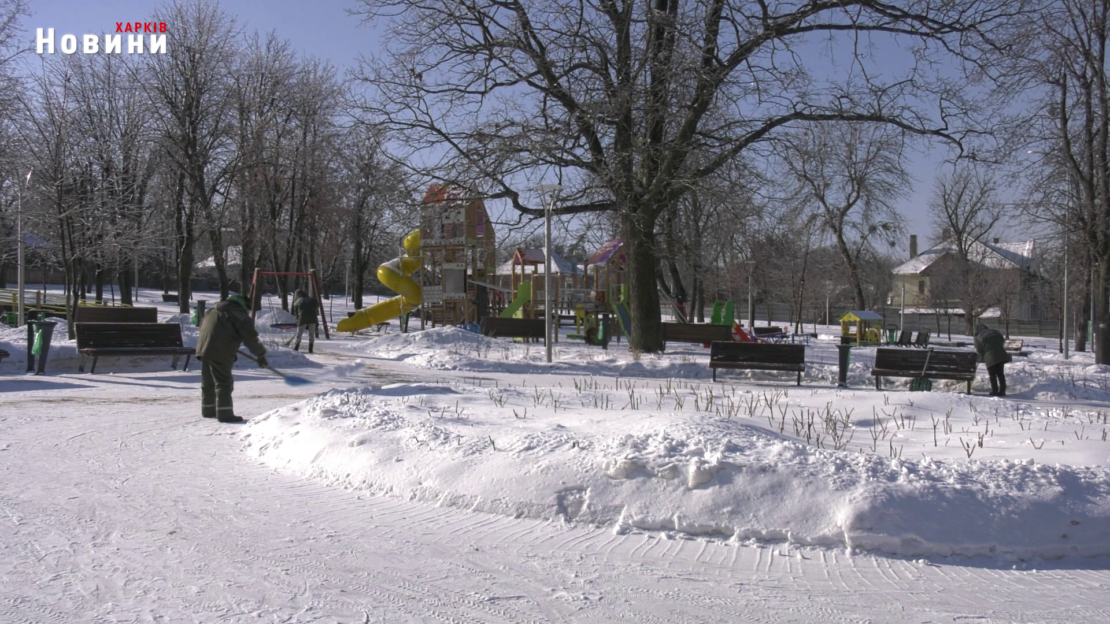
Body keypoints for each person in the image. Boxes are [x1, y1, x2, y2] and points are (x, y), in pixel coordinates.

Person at [196, 294, 268, 423]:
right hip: (220, 351)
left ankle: (208, 410)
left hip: (203, 349)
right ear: (244, 305)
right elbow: (250, 339)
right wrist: (260, 355)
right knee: (223, 382)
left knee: (208, 382)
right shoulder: (239, 316)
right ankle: (225, 414)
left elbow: (209, 328)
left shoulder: (212, 310)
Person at [974, 322, 1011, 397]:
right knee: (1000, 374)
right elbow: (1003, 342)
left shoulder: (979, 336)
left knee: (992, 374)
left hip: (990, 356)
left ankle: (994, 390)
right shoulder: (995, 332)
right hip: (1001, 354)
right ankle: (1002, 390)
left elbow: (979, 349)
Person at [291, 289, 319, 353]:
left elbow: (296, 312)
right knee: (311, 334)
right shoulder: (311, 299)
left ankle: (296, 348)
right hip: (313, 318)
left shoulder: (297, 301)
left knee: (299, 333)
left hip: (302, 318)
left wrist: (297, 319)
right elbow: (316, 305)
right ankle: (310, 349)